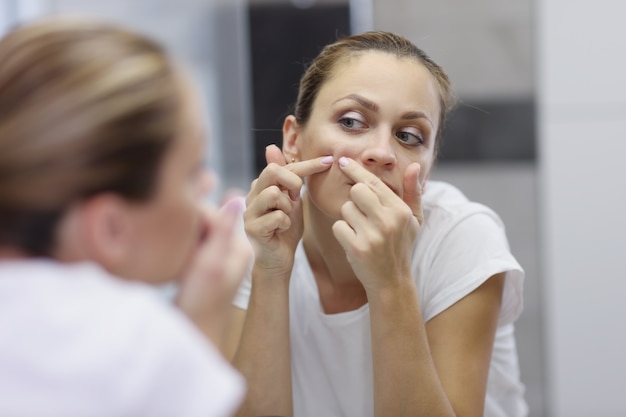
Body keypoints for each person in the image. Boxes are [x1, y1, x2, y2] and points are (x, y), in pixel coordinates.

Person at [230, 31, 527, 417]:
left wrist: (391, 281)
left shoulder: (461, 236)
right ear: (293, 140)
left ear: (428, 167)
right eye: (352, 121)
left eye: (408, 136)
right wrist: (271, 271)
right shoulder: (258, 235)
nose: (381, 153)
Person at [0, 16, 253, 417]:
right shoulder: (131, 342)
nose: (208, 184)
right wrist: (202, 323)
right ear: (111, 228)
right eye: (191, 174)